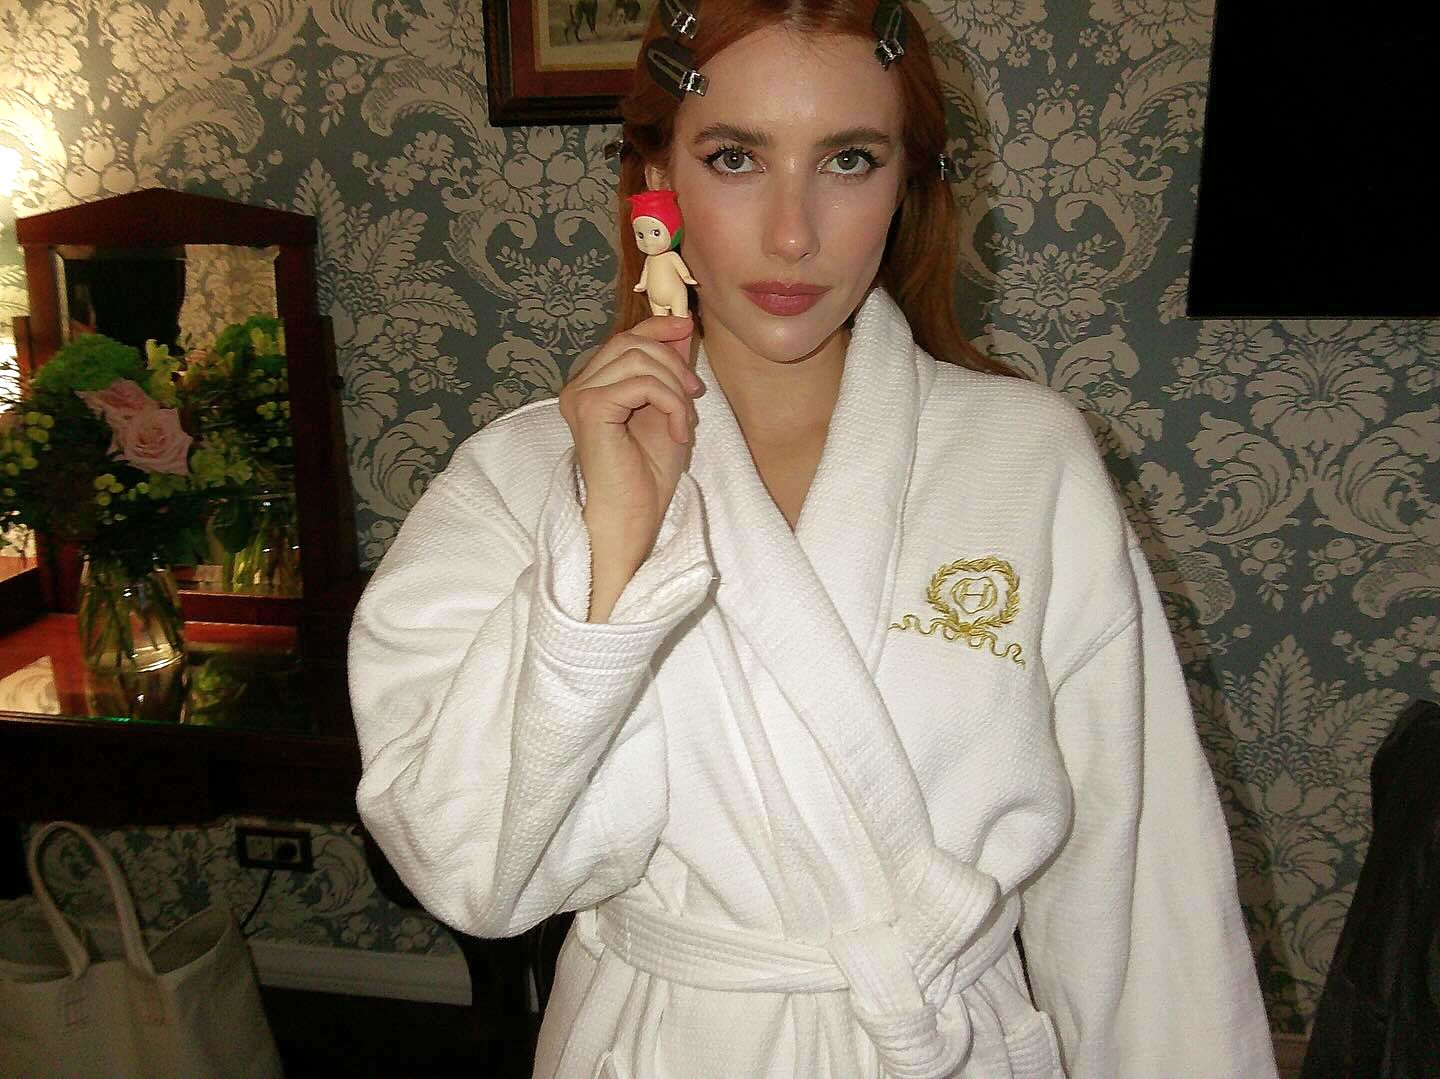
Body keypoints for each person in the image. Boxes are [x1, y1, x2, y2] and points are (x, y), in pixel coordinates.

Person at [348, 1, 1278, 1075]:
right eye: (735, 158)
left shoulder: (1028, 458)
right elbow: (474, 875)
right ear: (656, 180)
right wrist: (603, 553)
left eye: (848, 160)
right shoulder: (515, 480)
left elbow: (1140, 874)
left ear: (907, 182)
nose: (793, 232)